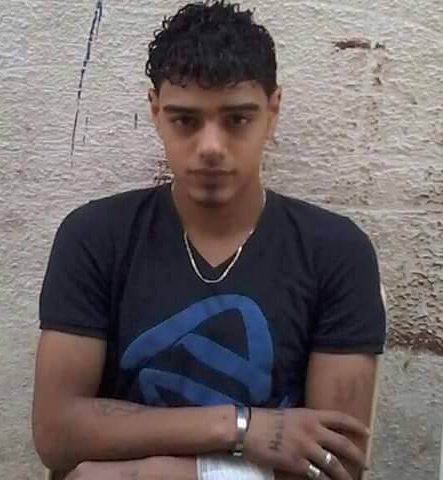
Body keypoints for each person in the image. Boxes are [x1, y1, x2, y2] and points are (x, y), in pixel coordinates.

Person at [32, 2, 386, 480]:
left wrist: (148, 474)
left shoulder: (336, 252)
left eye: (237, 119)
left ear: (272, 110)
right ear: (155, 112)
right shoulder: (95, 237)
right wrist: (241, 427)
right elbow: (56, 434)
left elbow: (335, 464)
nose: (211, 147)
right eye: (185, 120)